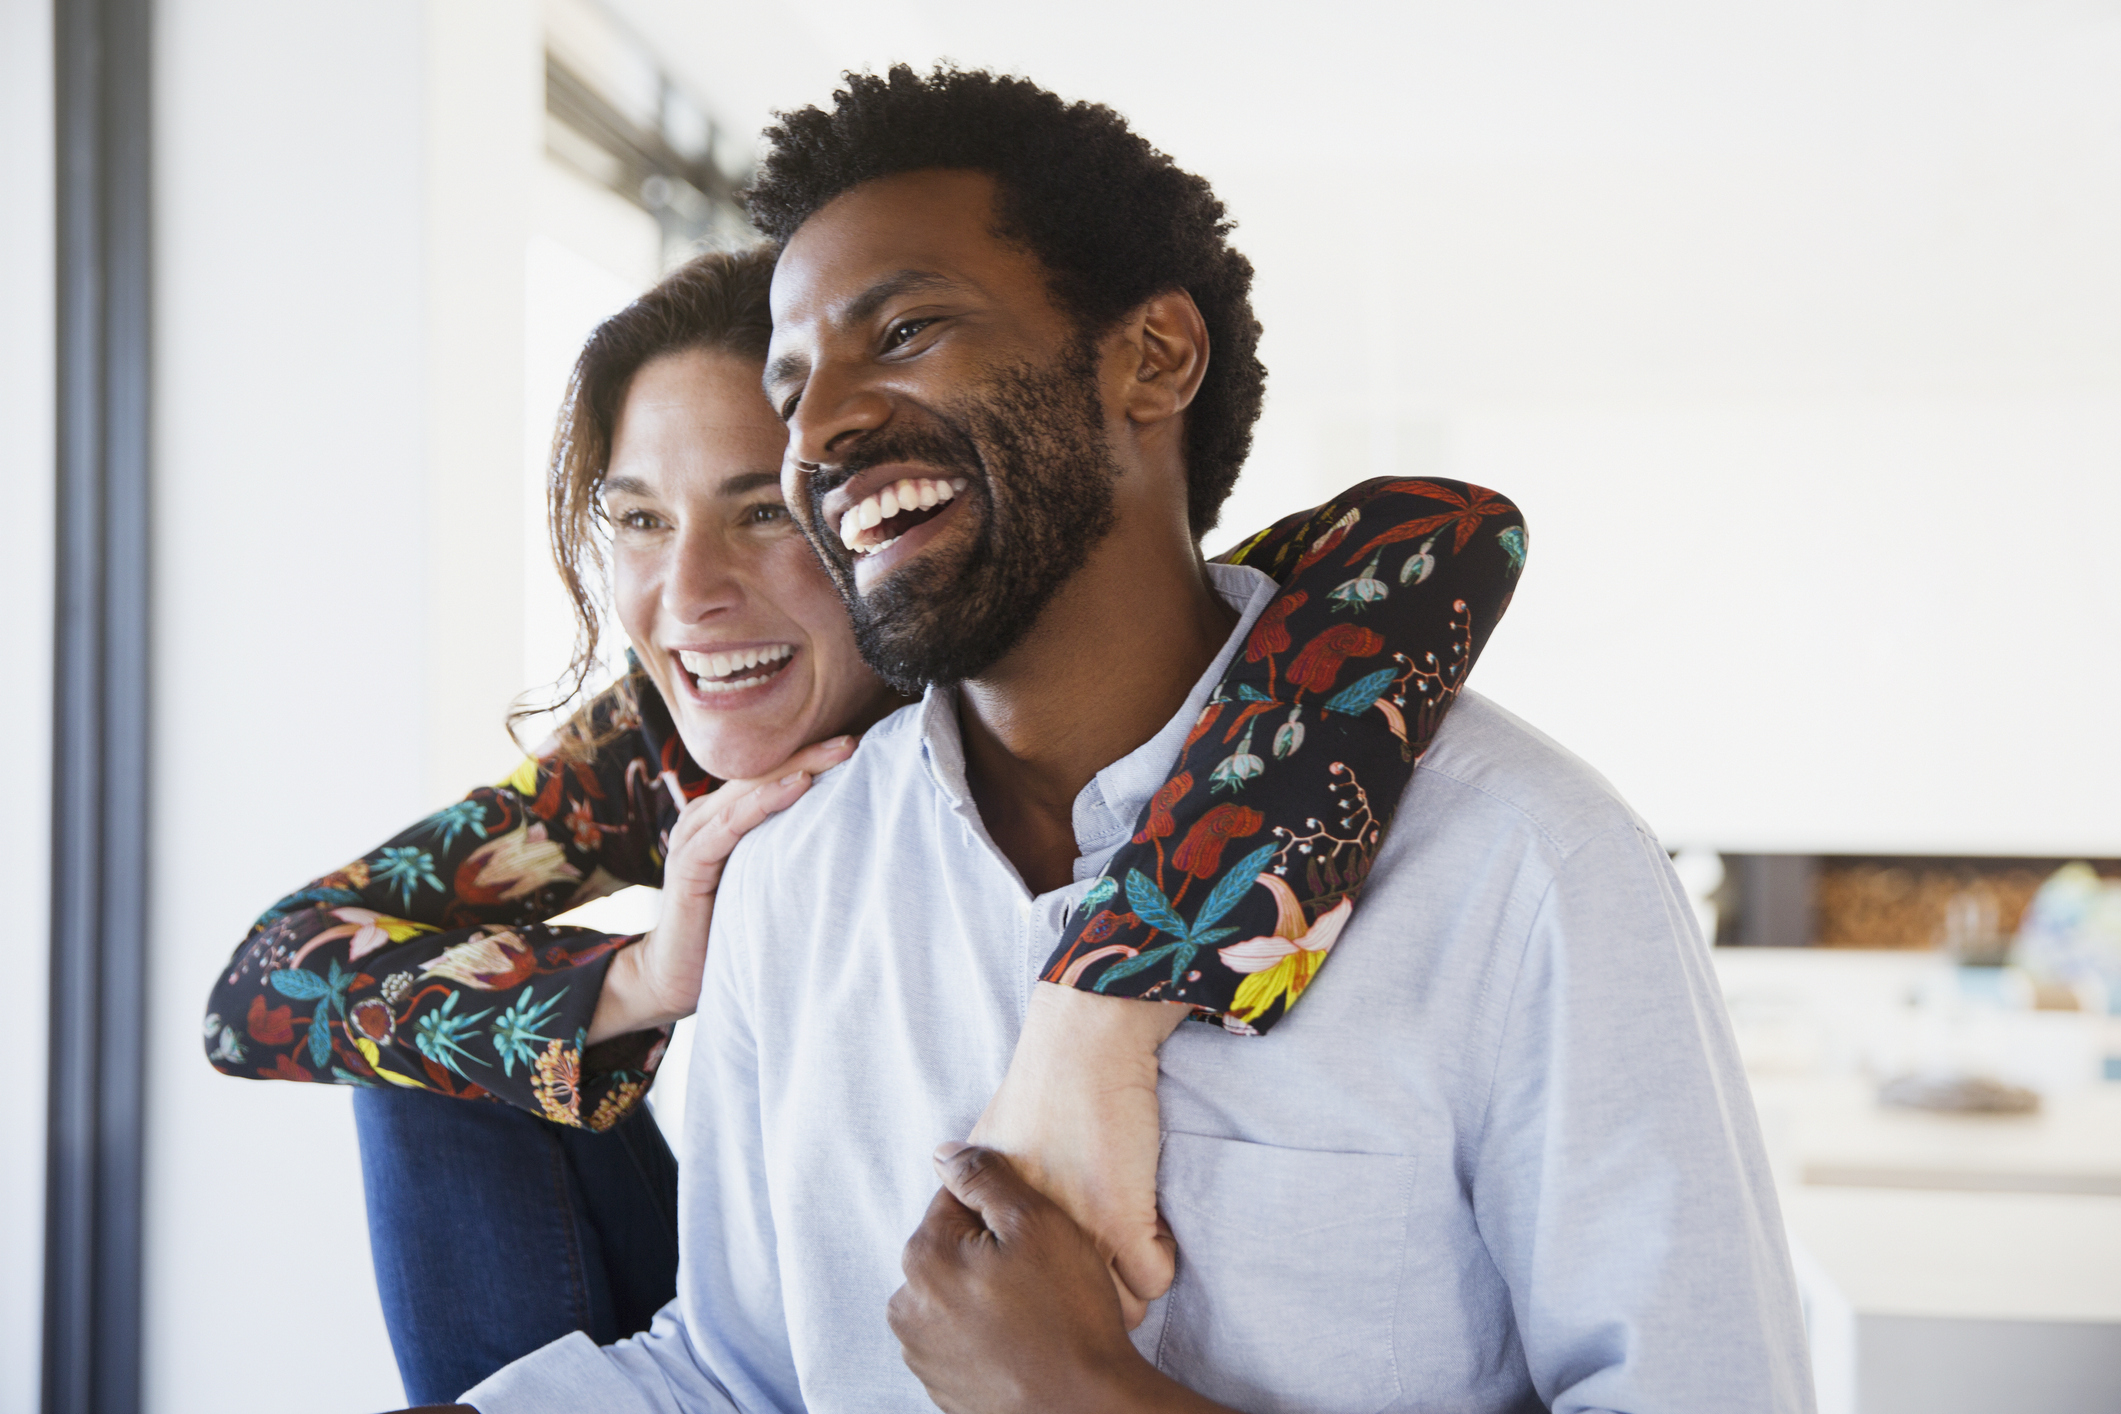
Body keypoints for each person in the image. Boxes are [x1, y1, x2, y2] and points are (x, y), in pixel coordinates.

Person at [457, 65, 1812, 1414]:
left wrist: (1085, 1392)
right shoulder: (792, 875)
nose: (824, 428)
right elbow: (738, 1371)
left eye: (909, 329)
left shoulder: (1522, 866)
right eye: (794, 383)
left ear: (1153, 356)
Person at [204, 246, 1524, 1400]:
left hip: (1030, 1288)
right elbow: (263, 984)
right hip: (729, 1311)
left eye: (761, 512)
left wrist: (1100, 1010)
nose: (689, 596)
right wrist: (644, 977)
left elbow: (1435, 535)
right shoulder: (649, 752)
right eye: (638, 522)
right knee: (426, 1065)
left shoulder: (1032, 674)